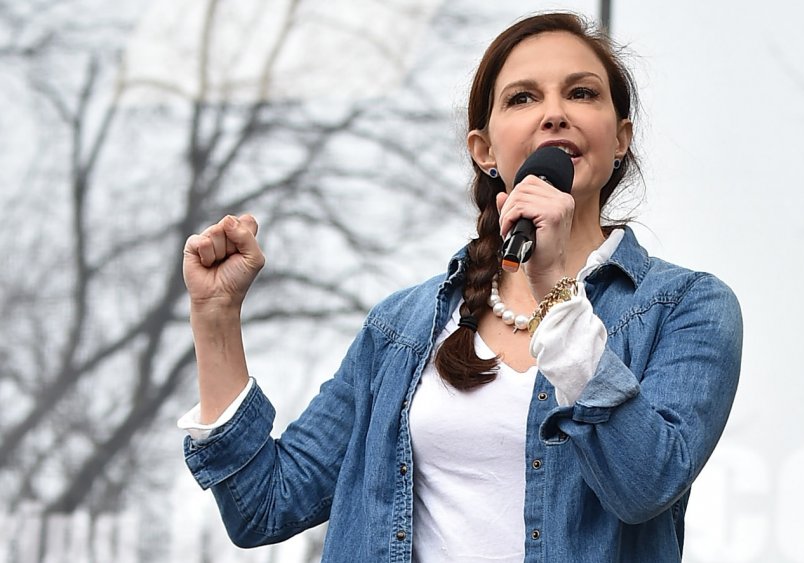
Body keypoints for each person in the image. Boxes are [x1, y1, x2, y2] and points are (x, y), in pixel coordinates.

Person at [178, 11, 742, 563]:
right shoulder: (404, 326)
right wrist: (215, 315)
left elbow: (644, 485)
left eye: (582, 93)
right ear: (485, 150)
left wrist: (555, 289)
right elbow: (265, 506)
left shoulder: (686, 308)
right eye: (522, 98)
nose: (553, 114)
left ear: (621, 139)